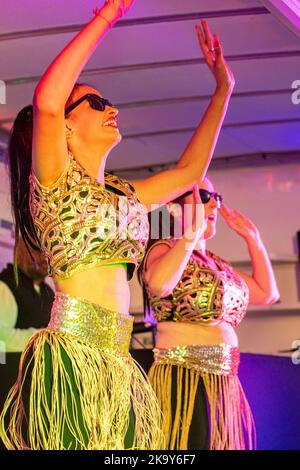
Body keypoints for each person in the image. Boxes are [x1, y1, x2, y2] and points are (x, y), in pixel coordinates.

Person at [0, 0, 235, 450]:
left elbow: (189, 171)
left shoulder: (126, 194)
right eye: (95, 102)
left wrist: (223, 88)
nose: (112, 108)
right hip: (72, 354)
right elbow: (47, 101)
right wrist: (108, 14)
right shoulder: (54, 181)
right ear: (65, 128)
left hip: (117, 359)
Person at [139, 177, 280, 450]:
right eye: (204, 196)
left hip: (223, 380)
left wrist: (254, 241)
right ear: (175, 207)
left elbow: (267, 293)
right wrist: (190, 234)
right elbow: (158, 283)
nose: (214, 202)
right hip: (184, 376)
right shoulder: (163, 248)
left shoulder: (216, 263)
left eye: (217, 197)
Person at [0, 236, 53, 354]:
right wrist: (44, 338)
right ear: (19, 254)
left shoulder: (48, 292)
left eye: (47, 252)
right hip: (11, 369)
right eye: (38, 251)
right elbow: (1, 338)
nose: (45, 257)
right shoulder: (5, 285)